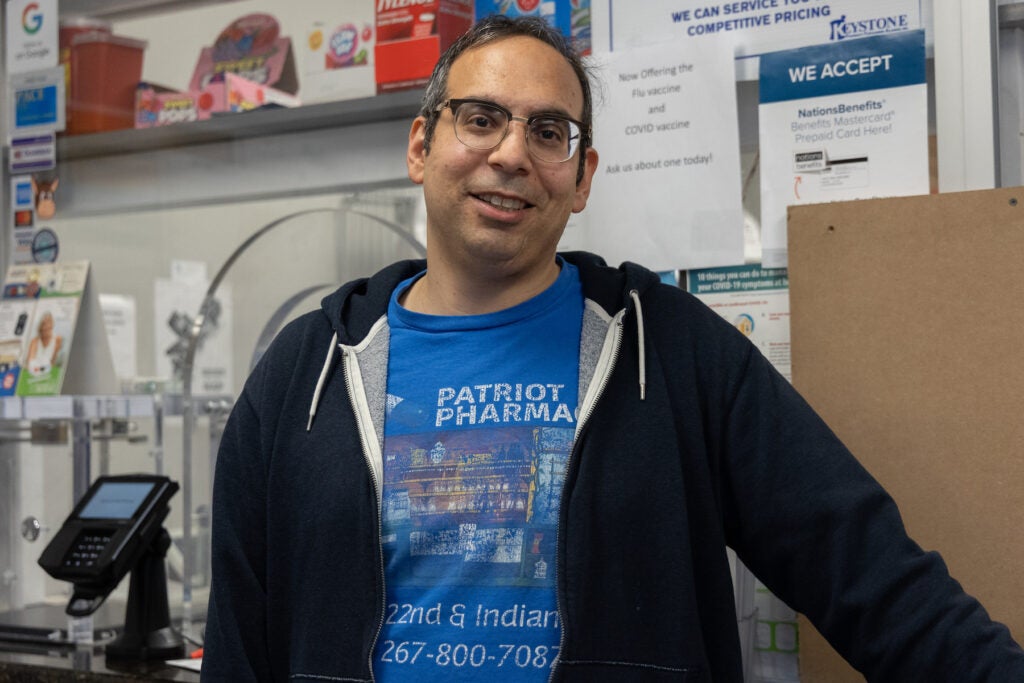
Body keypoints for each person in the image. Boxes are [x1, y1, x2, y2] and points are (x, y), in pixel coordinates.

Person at [201, 15, 1024, 683]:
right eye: (481, 118)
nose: (513, 153)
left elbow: (867, 570)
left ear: (582, 175)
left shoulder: (674, 353)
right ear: (421, 146)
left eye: (548, 131)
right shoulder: (302, 376)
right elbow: (239, 645)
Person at [25, 311, 62, 376]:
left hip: (49, 374)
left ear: (52, 324)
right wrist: (43, 369)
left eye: (48, 323)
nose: (46, 327)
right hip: (35, 374)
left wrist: (44, 369)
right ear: (40, 326)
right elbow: (30, 365)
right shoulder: (35, 341)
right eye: (44, 324)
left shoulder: (57, 339)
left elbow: (53, 362)